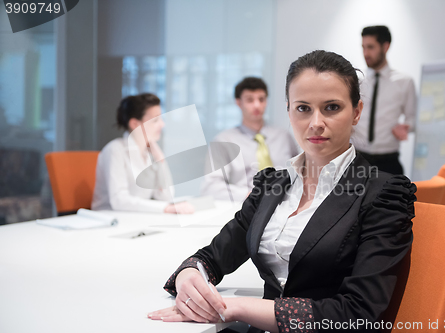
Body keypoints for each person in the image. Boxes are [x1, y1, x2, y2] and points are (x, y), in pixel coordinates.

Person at [148, 51, 416, 332]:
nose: (316, 123)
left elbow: (358, 313)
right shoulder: (272, 186)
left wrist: (236, 308)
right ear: (288, 110)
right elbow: (213, 256)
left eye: (332, 107)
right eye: (303, 108)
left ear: (357, 112)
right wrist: (190, 274)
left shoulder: (383, 194)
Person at [92, 93, 194, 214]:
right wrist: (164, 208)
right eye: (155, 120)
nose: (162, 124)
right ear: (135, 124)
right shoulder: (115, 150)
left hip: (137, 218)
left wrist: (161, 160)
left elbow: (166, 196)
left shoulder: (150, 154)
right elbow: (119, 201)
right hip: (110, 220)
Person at [201, 77, 299, 202]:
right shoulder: (223, 141)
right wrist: (249, 195)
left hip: (285, 204)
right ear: (238, 102)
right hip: (245, 207)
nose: (257, 105)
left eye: (261, 99)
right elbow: (210, 187)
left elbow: (300, 174)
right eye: (250, 100)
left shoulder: (284, 136)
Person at [352, 25, 417, 175]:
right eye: (363, 47)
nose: (365, 53)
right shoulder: (356, 81)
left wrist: (406, 127)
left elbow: (412, 119)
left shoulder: (404, 82)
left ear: (385, 47)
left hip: (388, 162)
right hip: (358, 160)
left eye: (371, 47)